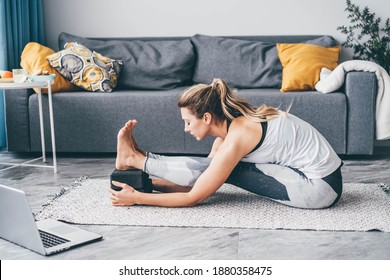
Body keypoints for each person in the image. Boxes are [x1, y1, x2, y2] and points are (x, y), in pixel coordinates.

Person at [111, 79, 343, 209]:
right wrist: (148, 185)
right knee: (217, 170)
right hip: (314, 179)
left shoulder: (238, 136)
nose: (186, 129)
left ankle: (135, 159)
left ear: (207, 118)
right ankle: (138, 159)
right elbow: (201, 182)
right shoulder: (232, 129)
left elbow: (194, 198)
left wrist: (137, 198)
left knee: (227, 170)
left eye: (188, 122)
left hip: (320, 189)